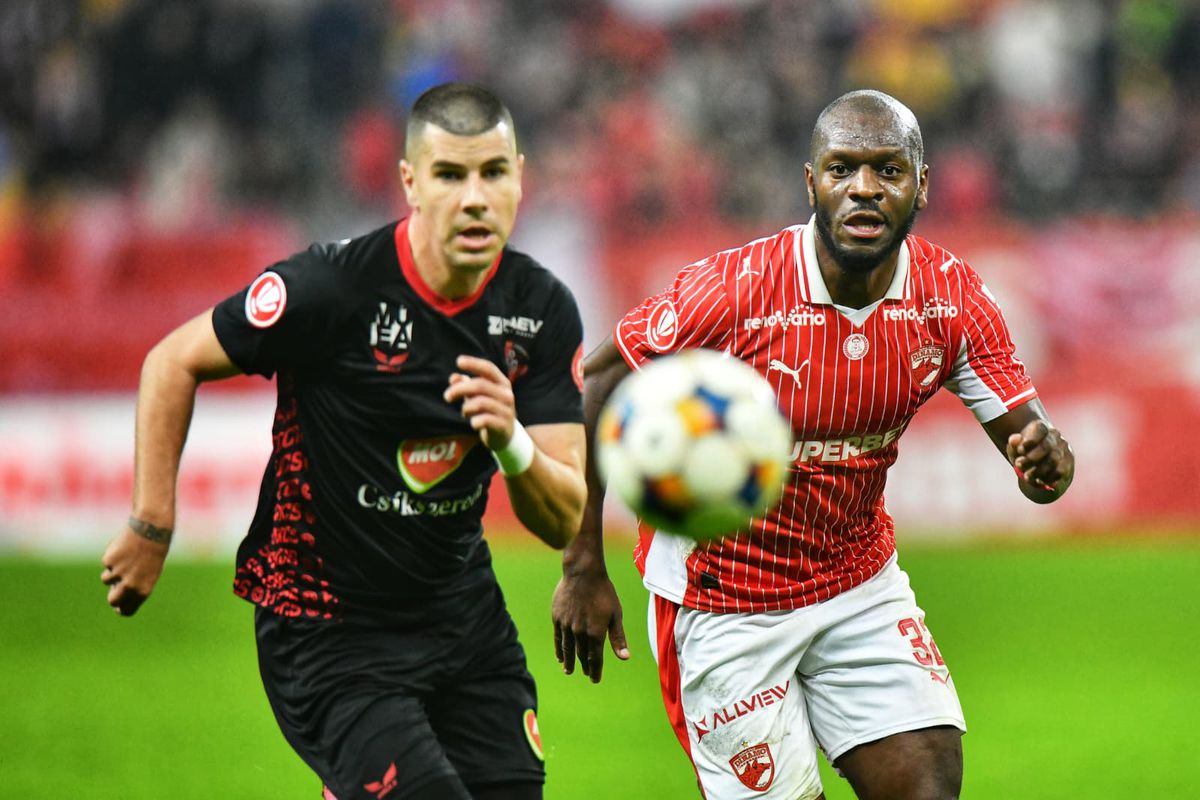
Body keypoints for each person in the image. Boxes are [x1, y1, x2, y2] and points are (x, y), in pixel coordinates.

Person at [552, 89, 1075, 800]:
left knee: (929, 787)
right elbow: (598, 382)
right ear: (811, 183)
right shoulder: (735, 290)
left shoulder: (950, 299)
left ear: (922, 185)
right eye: (842, 168)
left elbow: (1038, 460)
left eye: (888, 170)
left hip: (857, 583)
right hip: (722, 600)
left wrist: (1048, 462)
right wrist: (583, 562)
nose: (864, 188)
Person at [100, 82, 587, 800]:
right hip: (328, 627)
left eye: (492, 173)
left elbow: (564, 517)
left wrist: (511, 440)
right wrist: (151, 523)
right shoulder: (331, 288)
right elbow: (173, 361)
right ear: (410, 183)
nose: (474, 198)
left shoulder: (539, 310)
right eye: (450, 175)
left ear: (520, 176)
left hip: (463, 620)